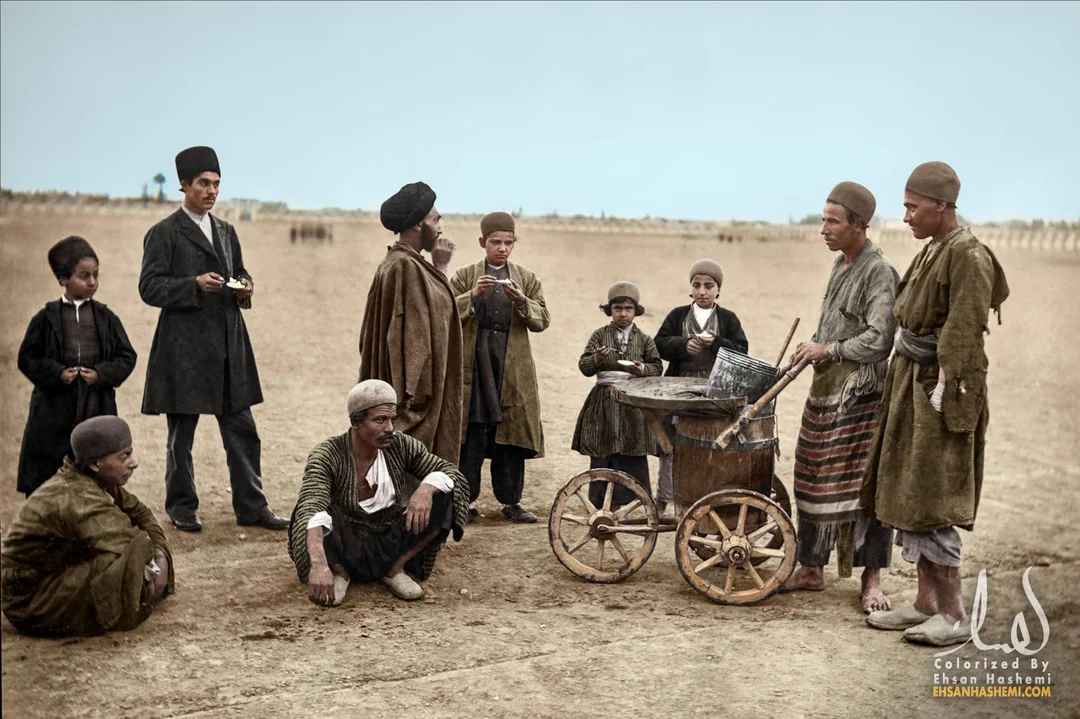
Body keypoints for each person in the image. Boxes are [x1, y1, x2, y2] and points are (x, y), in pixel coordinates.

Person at [862, 162, 1010, 646]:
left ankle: (953, 614)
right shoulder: (934, 250)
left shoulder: (967, 255)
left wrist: (951, 406)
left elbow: (964, 336)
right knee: (909, 493)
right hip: (912, 388)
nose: (905, 216)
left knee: (934, 498)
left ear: (942, 206)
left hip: (940, 396)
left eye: (912, 207)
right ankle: (925, 603)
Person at [138, 145, 288, 533]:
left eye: (216, 184)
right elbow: (149, 287)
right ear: (183, 185)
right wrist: (193, 284)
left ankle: (252, 507)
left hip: (227, 345)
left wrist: (244, 288)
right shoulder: (163, 233)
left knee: (243, 431)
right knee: (181, 435)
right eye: (203, 183)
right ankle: (182, 507)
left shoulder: (226, 230)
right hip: (183, 348)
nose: (211, 191)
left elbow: (238, 271)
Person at [779, 182, 899, 613]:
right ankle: (811, 568)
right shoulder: (840, 264)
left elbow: (880, 338)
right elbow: (834, 323)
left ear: (858, 225)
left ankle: (871, 581)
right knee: (810, 475)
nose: (823, 228)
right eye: (823, 219)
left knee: (861, 489)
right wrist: (813, 346)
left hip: (860, 397)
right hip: (825, 390)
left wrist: (827, 350)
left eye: (832, 221)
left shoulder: (879, 270)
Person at [287, 380, 470, 604]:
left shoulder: (400, 445)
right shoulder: (327, 454)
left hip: (389, 540)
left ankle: (395, 570)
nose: (390, 428)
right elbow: (311, 506)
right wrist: (318, 565)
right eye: (379, 420)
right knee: (309, 512)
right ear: (356, 422)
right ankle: (338, 573)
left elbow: (449, 471)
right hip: (345, 542)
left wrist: (426, 488)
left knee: (445, 494)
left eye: (393, 419)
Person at [1, 416, 173, 636]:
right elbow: (132, 543)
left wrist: (159, 555)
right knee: (120, 562)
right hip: (31, 600)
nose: (133, 463)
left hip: (54, 576)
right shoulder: (76, 493)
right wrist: (157, 561)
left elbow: (141, 514)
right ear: (95, 464)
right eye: (124, 456)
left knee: (133, 563)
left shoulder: (93, 477)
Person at [16, 236, 137, 497]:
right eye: (84, 276)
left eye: (95, 275)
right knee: (50, 476)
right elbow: (27, 358)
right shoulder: (45, 318)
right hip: (53, 410)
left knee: (94, 468)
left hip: (96, 406)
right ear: (63, 279)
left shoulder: (106, 317)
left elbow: (127, 356)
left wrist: (101, 374)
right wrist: (57, 373)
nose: (92, 282)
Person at [449, 212, 548, 523]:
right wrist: (473, 296)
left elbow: (542, 320)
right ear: (482, 243)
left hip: (510, 368)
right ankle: (466, 503)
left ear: (514, 243)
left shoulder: (527, 279)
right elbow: (445, 313)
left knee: (510, 436)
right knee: (472, 436)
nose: (502, 248)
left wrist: (522, 302)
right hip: (475, 367)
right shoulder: (465, 276)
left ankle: (511, 503)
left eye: (508, 242)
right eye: (495, 242)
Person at [358, 182, 463, 464]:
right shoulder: (405, 266)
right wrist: (441, 268)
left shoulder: (400, 262)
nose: (440, 227)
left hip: (400, 390)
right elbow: (424, 330)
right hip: (411, 398)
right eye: (435, 219)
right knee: (412, 465)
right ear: (418, 224)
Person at [653, 259, 749, 516]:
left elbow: (742, 351)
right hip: (678, 391)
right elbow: (659, 344)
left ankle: (709, 502)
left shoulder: (728, 319)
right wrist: (684, 346)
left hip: (715, 392)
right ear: (691, 288)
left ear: (718, 290)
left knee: (711, 447)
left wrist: (716, 342)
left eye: (709, 285)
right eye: (697, 285)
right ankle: (665, 501)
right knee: (672, 447)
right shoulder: (677, 315)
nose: (702, 291)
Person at [572, 281, 663, 509]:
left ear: (636, 312)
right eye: (618, 309)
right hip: (604, 400)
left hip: (632, 402)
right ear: (610, 311)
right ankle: (601, 502)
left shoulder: (643, 339)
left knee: (633, 447)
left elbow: (657, 367)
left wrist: (641, 369)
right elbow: (584, 366)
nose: (623, 314)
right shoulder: (599, 335)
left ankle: (635, 501)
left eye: (628, 309)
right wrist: (597, 360)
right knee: (604, 447)